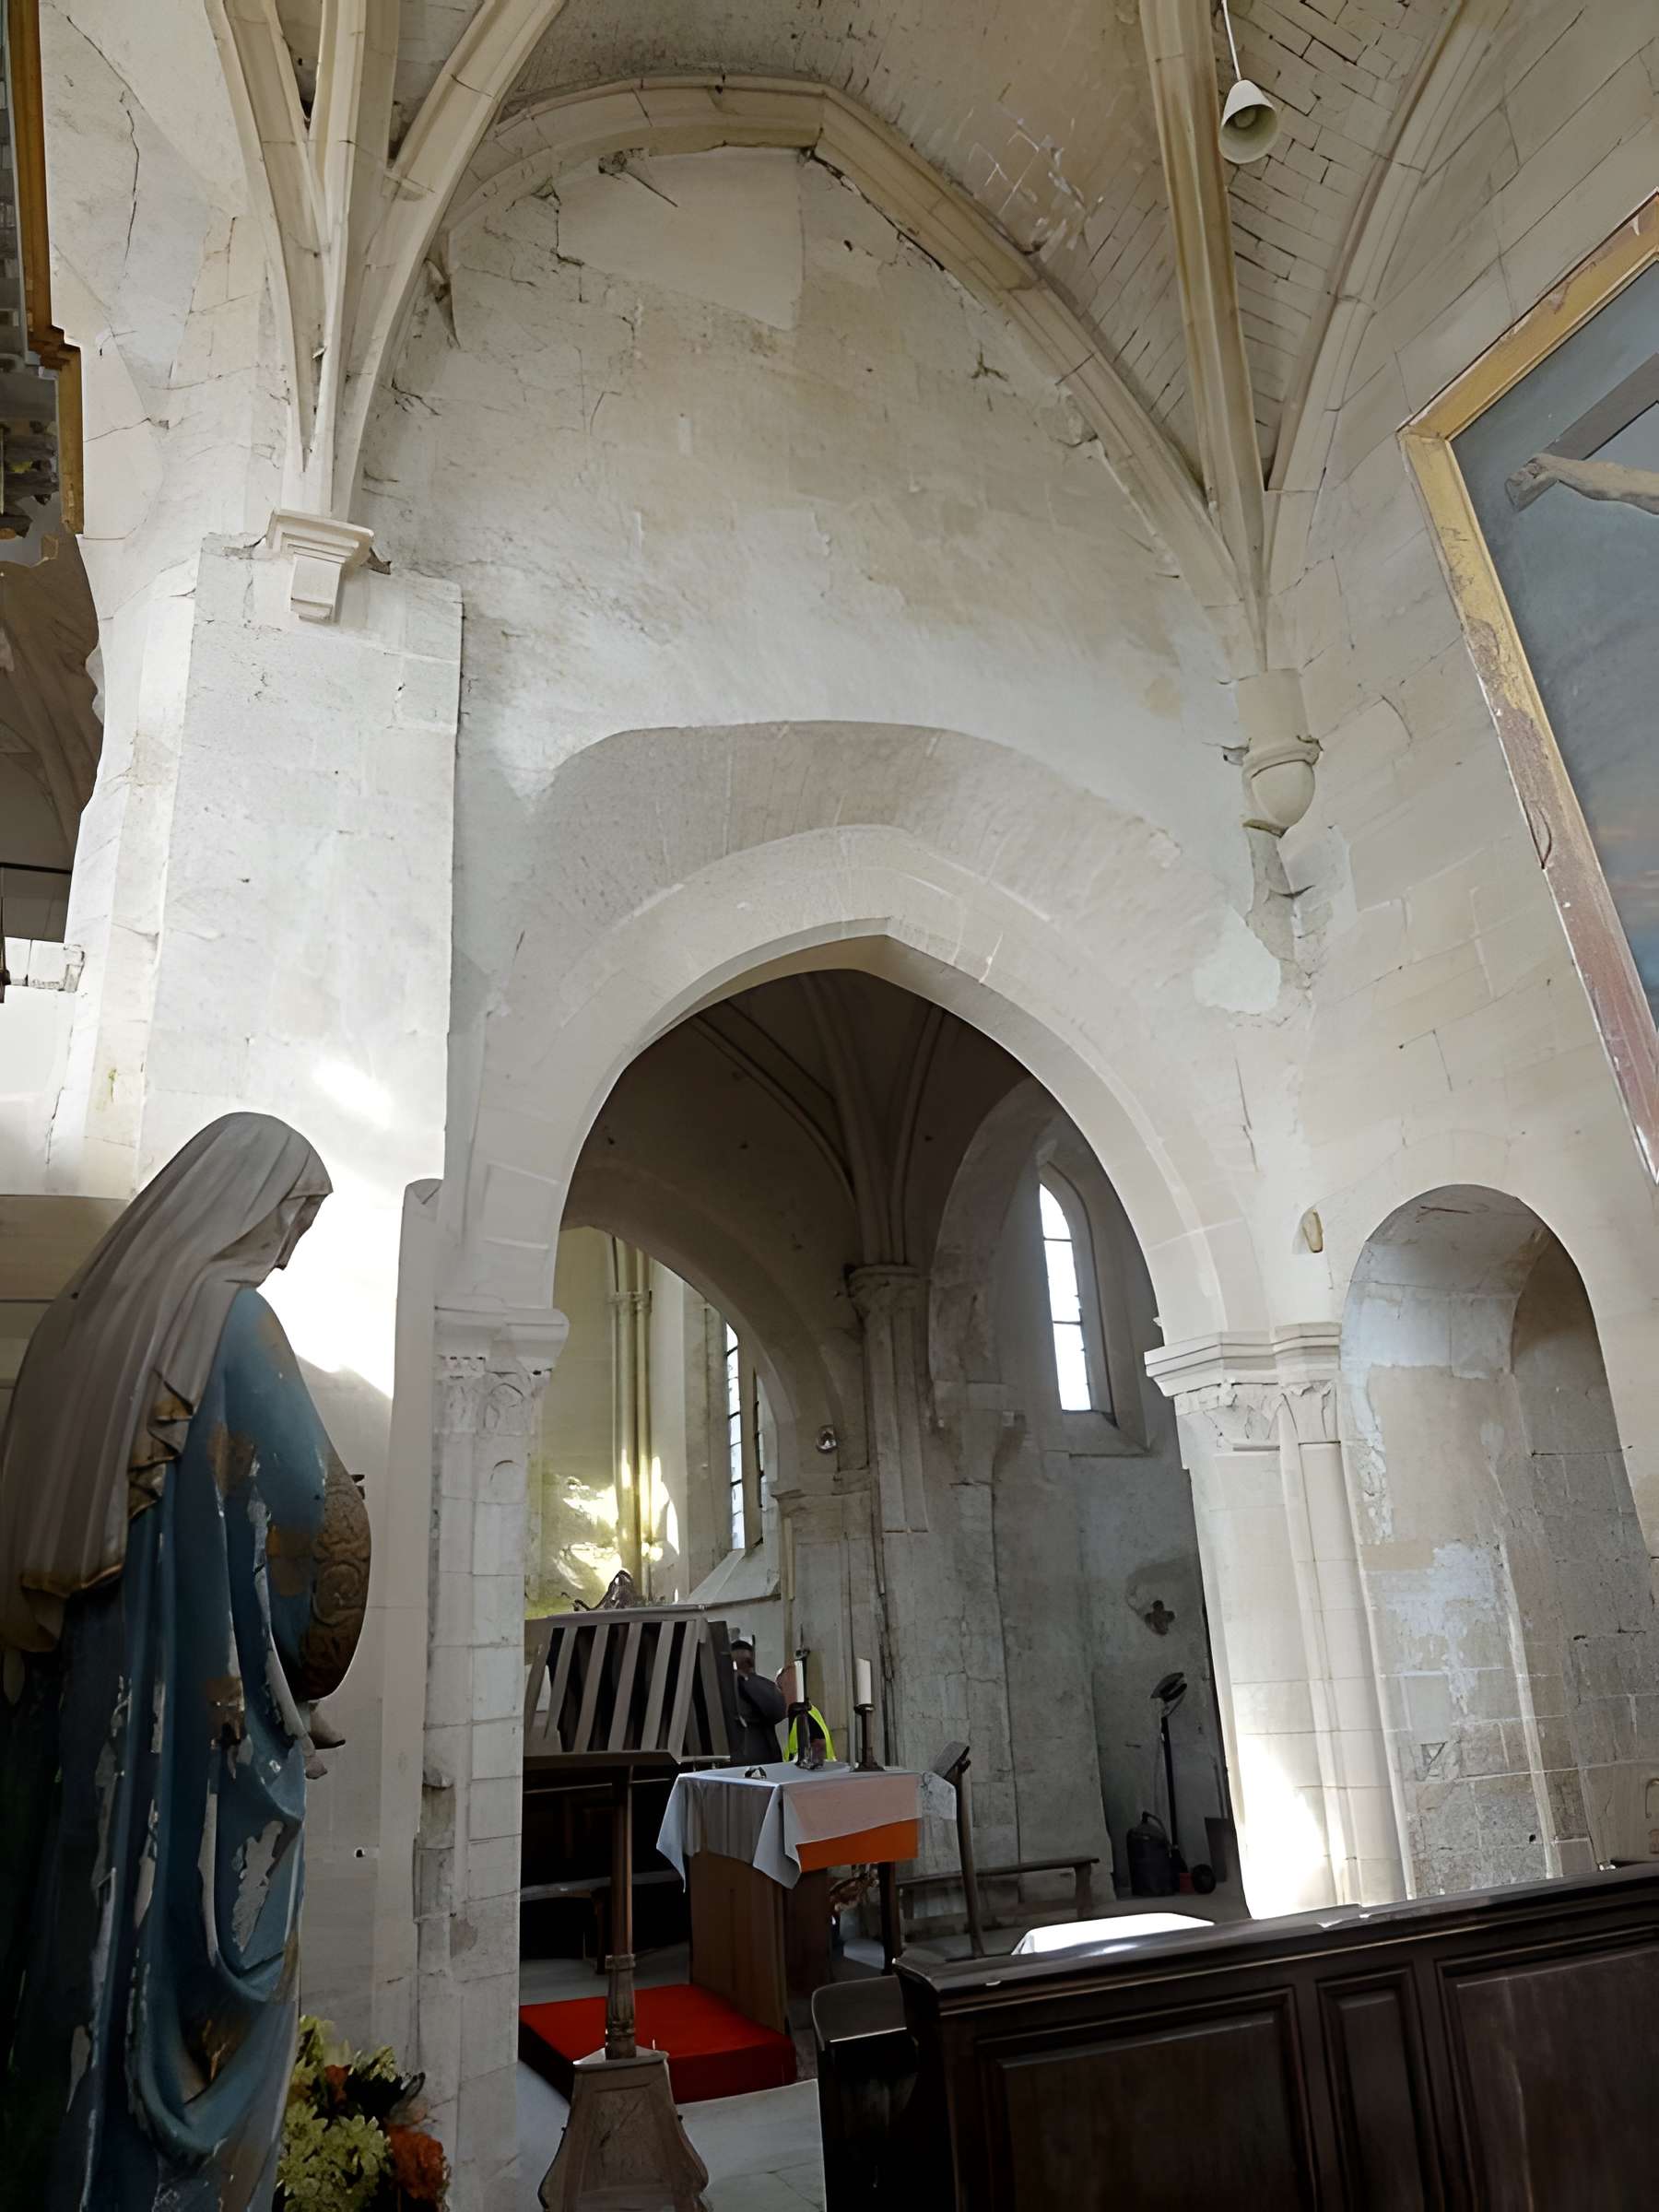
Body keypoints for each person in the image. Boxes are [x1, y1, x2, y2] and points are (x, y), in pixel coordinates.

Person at [0, 1113, 371, 2212]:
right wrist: (301, 1674)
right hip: (175, 1746)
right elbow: (320, 1518)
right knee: (154, 2003)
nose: (292, 1243)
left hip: (61, 1729)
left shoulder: (72, 1332)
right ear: (241, 1198)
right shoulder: (230, 1322)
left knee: (61, 1966)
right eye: (293, 1215)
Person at [730, 1633, 786, 1762]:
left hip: (750, 1759)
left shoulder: (750, 1684)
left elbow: (779, 1709)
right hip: (758, 1759)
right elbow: (779, 1709)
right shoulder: (754, 1684)